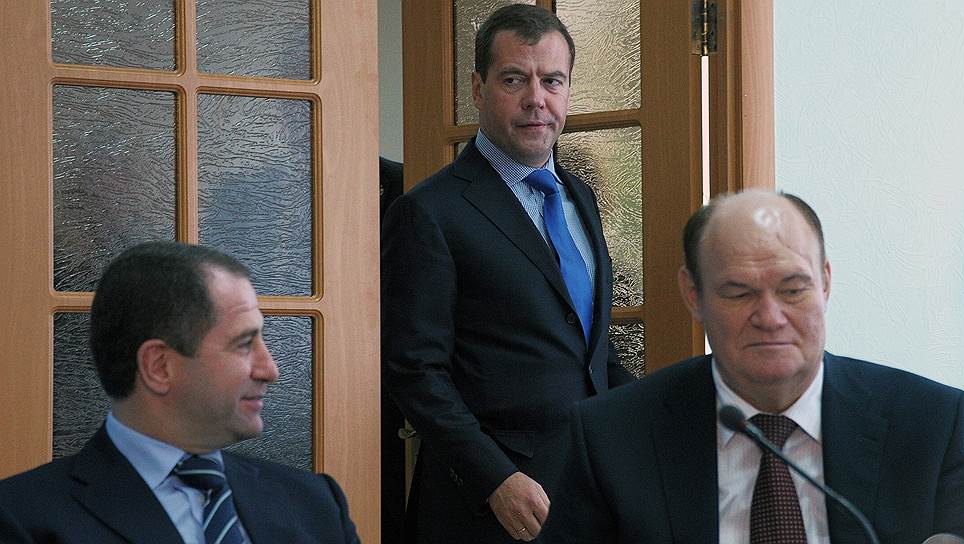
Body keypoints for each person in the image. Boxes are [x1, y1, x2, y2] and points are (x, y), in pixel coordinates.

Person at [539, 190, 964, 543]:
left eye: (793, 290)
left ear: (825, 282)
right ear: (693, 294)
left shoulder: (936, 426)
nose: (770, 318)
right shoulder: (613, 438)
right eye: (739, 293)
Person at [381, 4, 633, 542]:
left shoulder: (580, 198)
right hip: (486, 511)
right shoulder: (429, 212)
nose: (536, 99)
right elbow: (413, 370)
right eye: (514, 79)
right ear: (478, 89)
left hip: (584, 496)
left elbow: (590, 350)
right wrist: (494, 478)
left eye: (552, 81)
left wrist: (652, 429)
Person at [0, 241, 360, 543]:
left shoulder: (315, 504)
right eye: (244, 344)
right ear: (159, 366)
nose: (270, 370)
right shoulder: (20, 519)